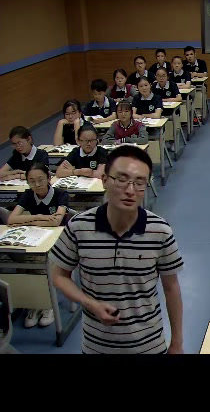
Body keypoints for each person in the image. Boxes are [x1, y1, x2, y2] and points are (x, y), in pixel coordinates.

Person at [50, 146, 184, 354]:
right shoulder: (79, 227)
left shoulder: (160, 231)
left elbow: (171, 288)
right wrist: (89, 303)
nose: (130, 190)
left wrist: (177, 343)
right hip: (96, 346)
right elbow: (59, 275)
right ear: (104, 180)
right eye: (122, 179)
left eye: (139, 182)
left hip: (148, 345)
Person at [7, 162, 68, 328]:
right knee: (24, 265)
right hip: (34, 238)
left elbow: (56, 221)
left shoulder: (60, 194)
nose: (37, 184)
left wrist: (27, 220)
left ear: (48, 178)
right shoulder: (28, 195)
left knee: (40, 264)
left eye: (41, 179)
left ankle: (47, 305)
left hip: (58, 241)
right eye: (32, 181)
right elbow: (11, 219)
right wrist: (40, 217)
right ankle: (33, 304)